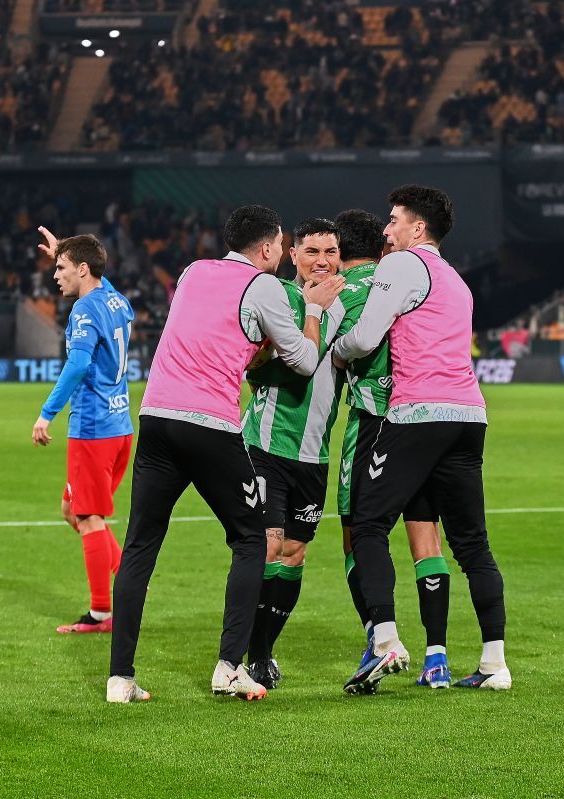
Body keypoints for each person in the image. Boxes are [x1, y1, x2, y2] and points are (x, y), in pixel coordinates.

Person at [106, 205, 344, 703]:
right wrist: (314, 309)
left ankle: (120, 679)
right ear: (268, 247)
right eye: (283, 244)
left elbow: (215, 333)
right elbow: (304, 362)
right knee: (251, 539)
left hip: (156, 416)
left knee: (140, 545)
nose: (283, 251)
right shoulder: (264, 286)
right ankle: (229, 668)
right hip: (209, 425)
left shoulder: (193, 271)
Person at [331, 185, 510, 693]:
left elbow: (365, 336)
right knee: (472, 544)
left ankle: (385, 638)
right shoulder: (456, 280)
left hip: (418, 413)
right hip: (469, 414)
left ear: (418, 227)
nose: (386, 230)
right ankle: (494, 663)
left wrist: (337, 353)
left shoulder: (403, 265)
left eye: (394, 220)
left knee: (367, 523)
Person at [332, 208, 453, 691]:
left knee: (358, 532)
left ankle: (381, 637)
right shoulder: (406, 282)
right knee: (426, 536)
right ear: (380, 247)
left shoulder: (342, 291)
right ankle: (437, 658)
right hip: (418, 421)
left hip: (371, 423)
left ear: (339, 251)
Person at [241, 218, 346, 689]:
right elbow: (252, 362)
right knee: (268, 544)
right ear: (293, 255)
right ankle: (252, 654)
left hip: (314, 452)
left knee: (295, 553)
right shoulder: (278, 296)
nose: (321, 261)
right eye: (311, 251)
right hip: (266, 443)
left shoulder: (354, 304)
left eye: (330, 251)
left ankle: (264, 648)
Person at [31, 228, 134, 636]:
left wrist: (46, 414)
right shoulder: (115, 299)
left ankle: (101, 613)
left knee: (88, 518)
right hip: (120, 428)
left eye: (61, 268)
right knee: (71, 510)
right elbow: (98, 274)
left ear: (83, 269)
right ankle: (128, 576)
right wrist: (66, 250)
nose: (55, 275)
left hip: (93, 430)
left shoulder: (84, 310)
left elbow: (77, 365)